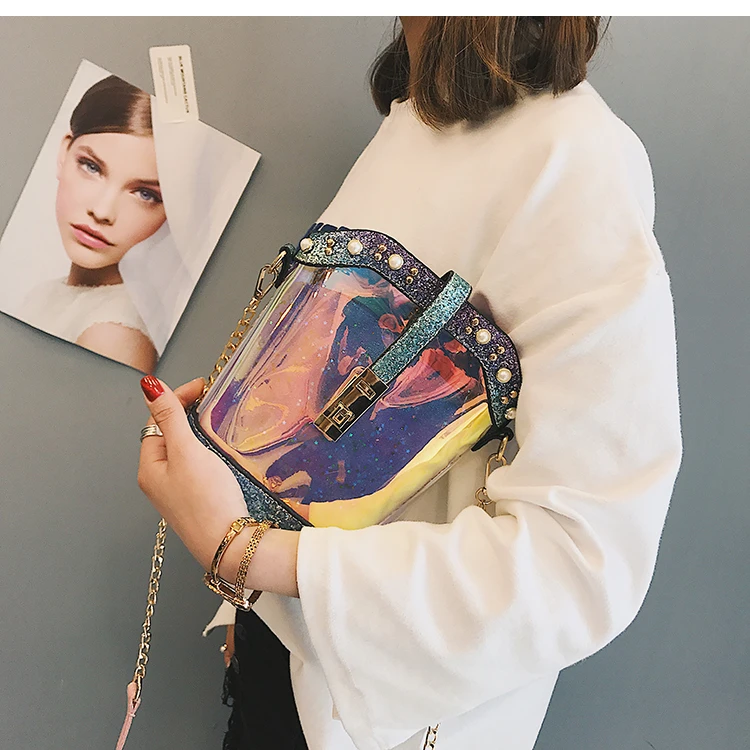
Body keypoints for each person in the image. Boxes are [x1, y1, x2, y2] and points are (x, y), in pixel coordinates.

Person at [136, 16, 683, 750]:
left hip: (382, 724)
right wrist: (247, 601)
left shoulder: (577, 160)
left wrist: (242, 551)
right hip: (284, 669)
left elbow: (581, 566)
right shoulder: (412, 119)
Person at [16, 74, 163, 374]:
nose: (102, 211)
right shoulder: (47, 293)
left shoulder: (113, 335)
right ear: (64, 152)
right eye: (91, 167)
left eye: (145, 194)